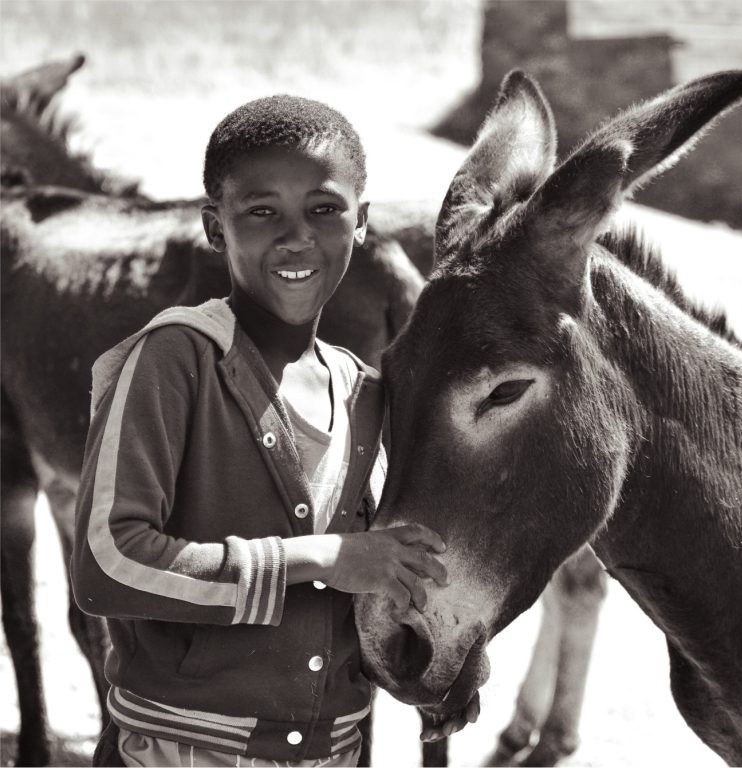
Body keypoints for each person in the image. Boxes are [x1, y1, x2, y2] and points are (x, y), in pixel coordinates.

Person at [72, 95, 477, 768]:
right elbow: (107, 566)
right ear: (214, 226)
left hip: (334, 752)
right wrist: (318, 558)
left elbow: (389, 570)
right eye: (262, 212)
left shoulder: (366, 394)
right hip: (177, 751)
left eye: (324, 209)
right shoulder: (174, 361)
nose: (297, 237)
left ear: (363, 223)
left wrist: (439, 656)